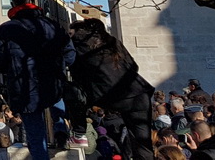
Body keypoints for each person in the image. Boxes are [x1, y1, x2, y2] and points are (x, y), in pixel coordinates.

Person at [0, 0, 75, 160]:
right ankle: (61, 130)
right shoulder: (52, 26)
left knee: (35, 134)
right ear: (31, 0)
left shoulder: (6, 30)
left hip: (24, 86)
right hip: (52, 80)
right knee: (56, 100)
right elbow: (69, 52)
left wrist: (10, 68)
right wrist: (60, 67)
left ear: (12, 3)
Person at [65, 18, 153, 160]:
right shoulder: (112, 41)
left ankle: (79, 133)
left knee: (71, 90)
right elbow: (134, 66)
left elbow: (76, 72)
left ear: (78, 30)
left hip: (110, 94)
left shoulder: (77, 42)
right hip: (139, 93)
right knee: (143, 145)